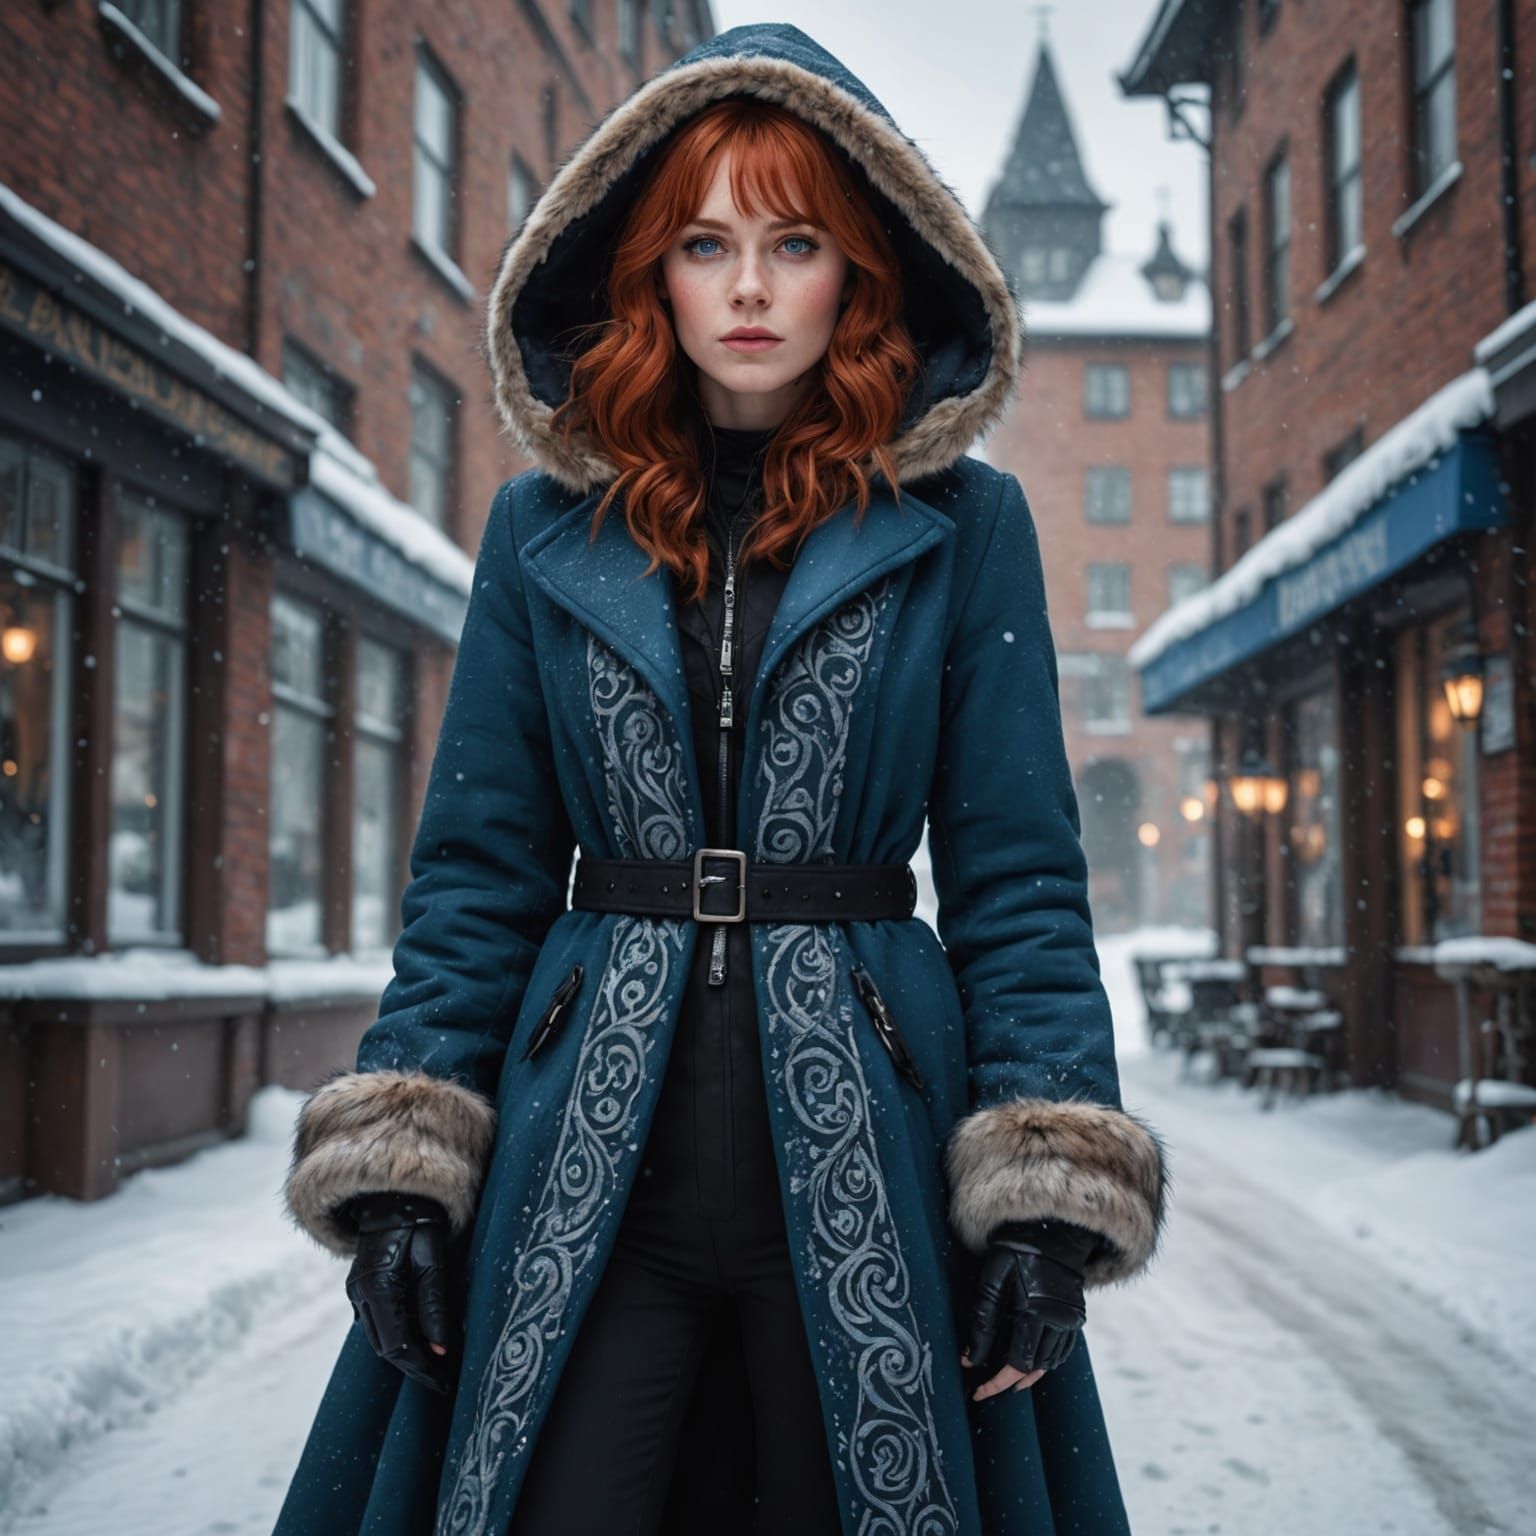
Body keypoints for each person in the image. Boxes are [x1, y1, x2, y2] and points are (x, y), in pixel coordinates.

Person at [274, 22, 1169, 1536]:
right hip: (588, 1159)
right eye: (705, 243)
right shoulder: (543, 529)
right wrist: (409, 1161)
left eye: (793, 243)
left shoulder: (967, 525)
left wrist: (1047, 1189)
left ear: (859, 270)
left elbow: (1018, 878)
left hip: (873, 1147)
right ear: (652, 272)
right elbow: (479, 871)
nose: (748, 287)